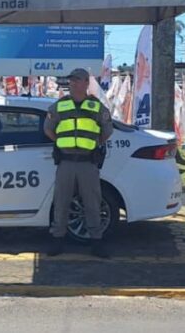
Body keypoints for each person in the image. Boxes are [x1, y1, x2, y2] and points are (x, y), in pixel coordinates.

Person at [44, 68, 114, 258]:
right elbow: (48, 129)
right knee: (61, 202)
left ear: (86, 83)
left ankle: (96, 242)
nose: (73, 84)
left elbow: (107, 130)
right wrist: (61, 142)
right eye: (71, 81)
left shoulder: (96, 106)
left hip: (87, 162)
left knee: (92, 203)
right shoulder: (60, 106)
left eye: (77, 80)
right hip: (66, 162)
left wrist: (95, 142)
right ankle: (57, 240)